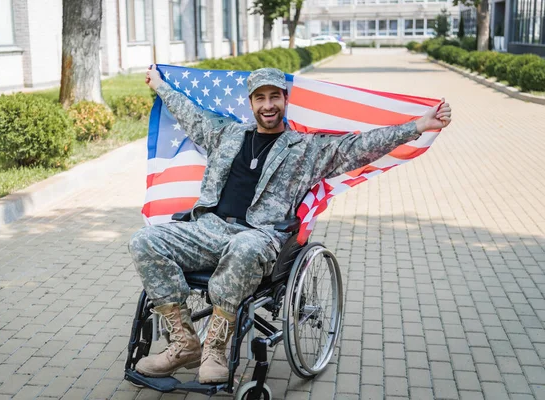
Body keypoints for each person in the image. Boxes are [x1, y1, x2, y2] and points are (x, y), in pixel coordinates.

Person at [129, 66, 452, 383]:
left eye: (274, 97)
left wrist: (418, 125)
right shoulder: (226, 133)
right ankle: (185, 343)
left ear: (285, 100)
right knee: (144, 240)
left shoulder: (306, 148)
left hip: (260, 237)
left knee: (244, 246)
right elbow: (189, 113)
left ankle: (215, 348)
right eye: (260, 98)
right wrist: (160, 85)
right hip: (208, 230)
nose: (268, 105)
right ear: (251, 102)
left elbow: (360, 147)